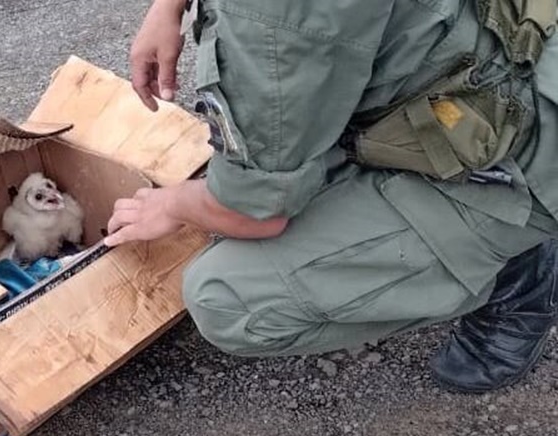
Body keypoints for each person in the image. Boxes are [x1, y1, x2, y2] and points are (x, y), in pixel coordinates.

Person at [104, 0, 558, 393]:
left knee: (226, 297)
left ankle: (517, 275)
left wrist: (172, 204)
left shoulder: (273, 16)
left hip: (518, 144)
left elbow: (255, 213)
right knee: (287, 160)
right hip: (503, 50)